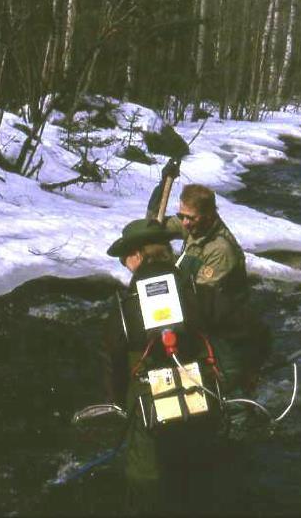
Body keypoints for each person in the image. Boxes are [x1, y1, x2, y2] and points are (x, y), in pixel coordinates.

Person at [101, 218, 225, 512]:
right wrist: (245, 377)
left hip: (147, 415)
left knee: (146, 483)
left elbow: (111, 366)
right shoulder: (198, 294)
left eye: (124, 259)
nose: (124, 265)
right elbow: (253, 331)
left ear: (136, 257)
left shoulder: (123, 310)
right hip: (201, 403)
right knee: (201, 484)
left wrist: (117, 408)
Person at [146, 162, 269, 396]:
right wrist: (163, 185)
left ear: (209, 215)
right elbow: (155, 223)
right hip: (199, 315)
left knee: (225, 390)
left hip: (226, 331)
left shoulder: (221, 250)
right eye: (182, 216)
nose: (184, 223)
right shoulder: (194, 227)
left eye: (190, 218)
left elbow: (199, 299)